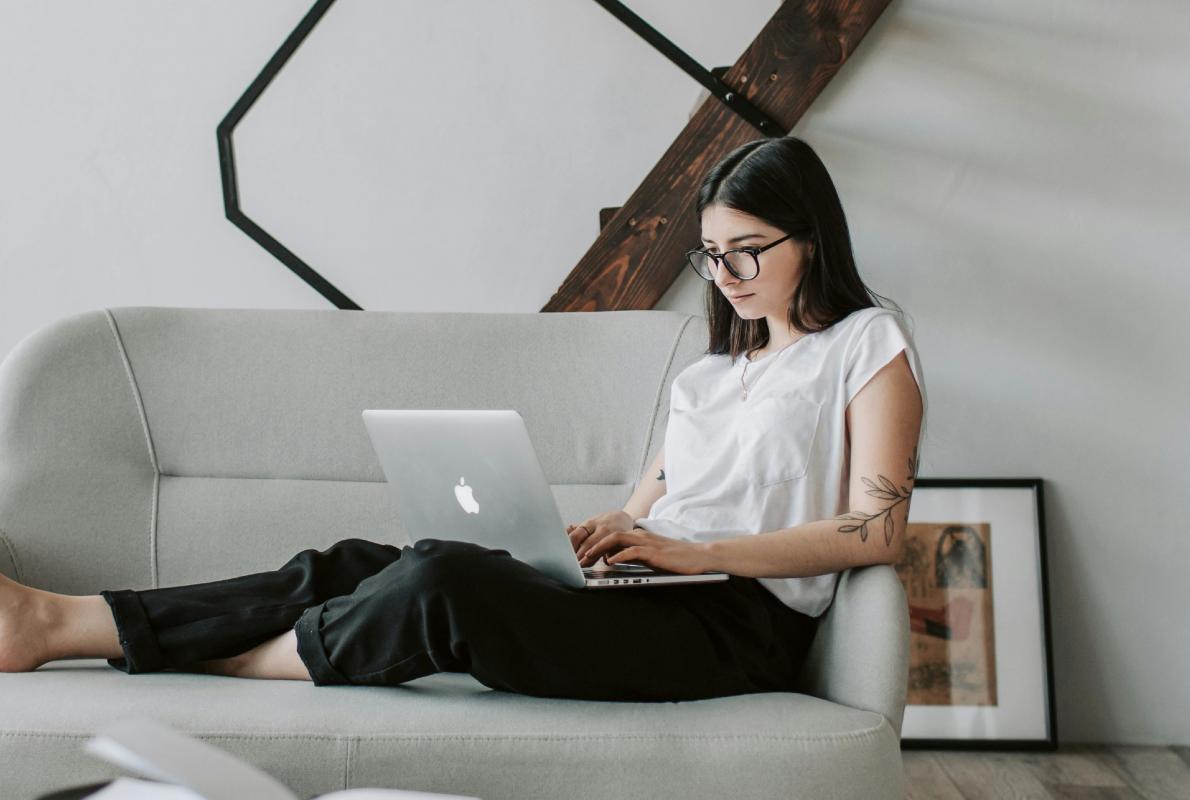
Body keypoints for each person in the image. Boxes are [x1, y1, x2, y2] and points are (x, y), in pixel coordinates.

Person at [0, 136, 925, 702]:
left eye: (748, 252)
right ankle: (59, 620)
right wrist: (613, 531)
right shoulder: (713, 373)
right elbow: (649, 501)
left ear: (812, 236)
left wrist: (704, 554)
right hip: (657, 593)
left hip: (736, 626)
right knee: (366, 560)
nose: (725, 277)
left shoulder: (866, 344)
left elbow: (878, 530)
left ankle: (244, 660)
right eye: (712, 255)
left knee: (442, 581)